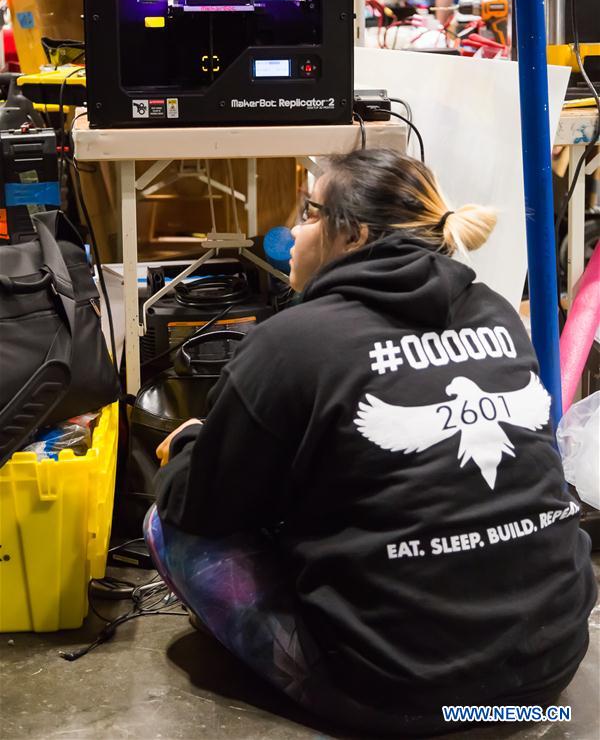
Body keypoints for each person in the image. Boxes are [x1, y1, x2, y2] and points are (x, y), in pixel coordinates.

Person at [146, 148, 596, 737]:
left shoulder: (290, 343)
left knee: (167, 523)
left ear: (352, 233)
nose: (294, 232)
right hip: (548, 673)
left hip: (404, 698)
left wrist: (189, 452)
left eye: (308, 213)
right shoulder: (496, 312)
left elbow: (203, 506)